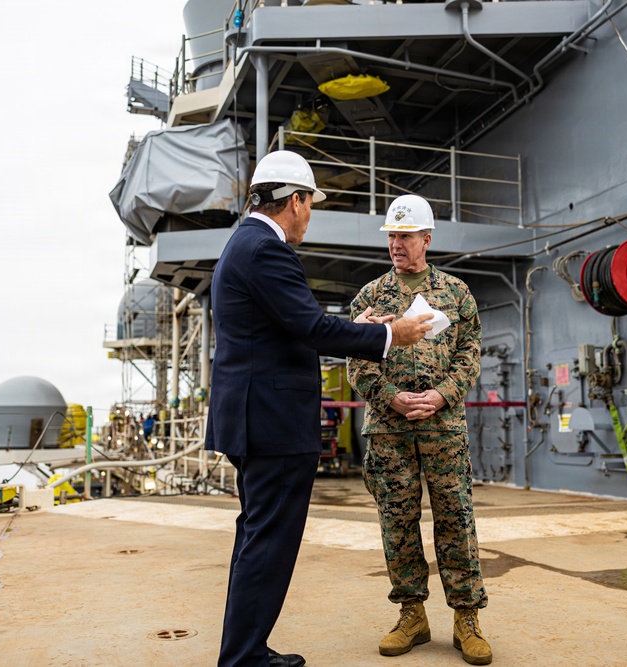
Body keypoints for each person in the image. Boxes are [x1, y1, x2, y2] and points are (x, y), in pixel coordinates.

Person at [206, 151, 433, 667]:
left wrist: (363, 325)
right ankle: (243, 659)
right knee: (268, 545)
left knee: (257, 540)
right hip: (272, 426)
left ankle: (247, 650)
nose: (309, 216)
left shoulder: (245, 244)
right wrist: (387, 334)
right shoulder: (266, 250)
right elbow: (311, 329)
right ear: (296, 201)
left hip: (255, 421)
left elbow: (295, 322)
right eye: (310, 205)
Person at [347, 194, 491, 665]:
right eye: (391, 236)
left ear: (426, 239)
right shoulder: (370, 297)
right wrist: (390, 395)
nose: (396, 244)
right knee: (398, 521)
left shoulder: (456, 292)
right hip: (389, 430)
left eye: (405, 236)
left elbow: (471, 351)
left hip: (443, 425)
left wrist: (444, 393)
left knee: (455, 518)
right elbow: (356, 361)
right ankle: (412, 614)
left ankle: (467, 618)